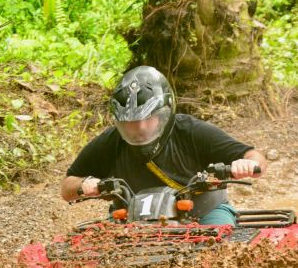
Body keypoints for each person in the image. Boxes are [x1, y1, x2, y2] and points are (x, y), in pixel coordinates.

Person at [60, 65, 268, 225]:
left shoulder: (191, 131)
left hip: (203, 213)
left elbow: (255, 157)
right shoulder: (110, 141)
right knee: (96, 255)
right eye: (130, 123)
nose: (139, 128)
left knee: (222, 251)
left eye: (147, 119)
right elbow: (67, 186)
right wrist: (85, 184)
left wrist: (246, 165)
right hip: (130, 220)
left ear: (164, 115)